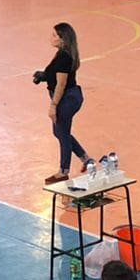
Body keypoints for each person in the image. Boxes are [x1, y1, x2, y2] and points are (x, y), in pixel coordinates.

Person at [35, 22, 95, 185]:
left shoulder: (63, 57)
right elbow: (55, 75)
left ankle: (63, 171)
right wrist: (44, 76)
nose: (51, 38)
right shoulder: (63, 54)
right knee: (60, 132)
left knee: (62, 133)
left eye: (55, 35)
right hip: (69, 96)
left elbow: (61, 84)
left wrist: (53, 105)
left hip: (66, 99)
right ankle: (86, 159)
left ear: (63, 39)